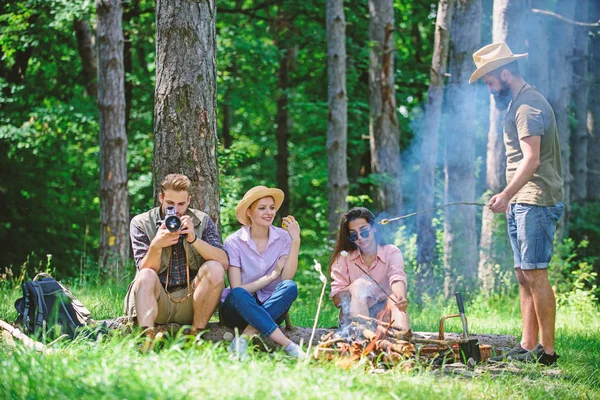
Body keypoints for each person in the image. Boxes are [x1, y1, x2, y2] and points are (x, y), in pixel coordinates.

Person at [470, 42, 564, 365]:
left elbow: (532, 160)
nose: (488, 87)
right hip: (523, 202)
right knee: (523, 274)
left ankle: (547, 353)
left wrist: (506, 195)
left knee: (536, 274)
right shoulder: (517, 103)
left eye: (489, 81)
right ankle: (527, 346)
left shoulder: (527, 106)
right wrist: (512, 198)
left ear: (505, 73)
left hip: (536, 201)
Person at [124, 174, 229, 339]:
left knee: (214, 269)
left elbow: (223, 262)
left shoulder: (202, 220)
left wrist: (194, 239)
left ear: (189, 200)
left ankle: (196, 336)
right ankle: (147, 338)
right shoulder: (141, 222)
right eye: (170, 204)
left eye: (181, 204)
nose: (176, 210)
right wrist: (157, 244)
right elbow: (144, 272)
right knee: (145, 274)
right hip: (157, 301)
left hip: (193, 301)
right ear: (161, 198)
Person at [220, 186, 305, 359]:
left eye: (272, 208)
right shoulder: (233, 242)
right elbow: (238, 289)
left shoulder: (283, 237)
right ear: (249, 212)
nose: (269, 212)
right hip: (239, 309)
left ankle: (244, 338)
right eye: (262, 208)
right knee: (237, 293)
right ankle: (289, 346)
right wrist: (272, 276)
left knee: (290, 286)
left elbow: (287, 277)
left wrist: (295, 240)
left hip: (270, 307)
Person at [329, 207, 410, 330]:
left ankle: (402, 340)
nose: (360, 238)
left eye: (364, 232)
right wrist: (353, 287)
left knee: (394, 299)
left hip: (385, 315)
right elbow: (336, 301)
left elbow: (397, 276)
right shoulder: (344, 258)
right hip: (352, 319)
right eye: (354, 235)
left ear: (374, 228)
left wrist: (401, 296)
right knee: (359, 286)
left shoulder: (391, 252)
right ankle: (362, 339)